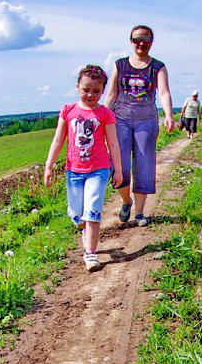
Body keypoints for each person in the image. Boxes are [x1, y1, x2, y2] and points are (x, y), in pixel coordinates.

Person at [43, 65, 123, 272]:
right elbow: (58, 140)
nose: (90, 95)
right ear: (78, 87)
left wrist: (119, 169)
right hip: (74, 172)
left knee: (93, 211)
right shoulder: (68, 111)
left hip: (99, 170)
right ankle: (83, 228)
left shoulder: (105, 114)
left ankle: (90, 254)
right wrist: (49, 166)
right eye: (86, 89)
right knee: (76, 214)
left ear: (103, 91)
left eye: (96, 91)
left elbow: (113, 144)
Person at [105, 24, 175, 227]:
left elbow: (163, 93)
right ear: (131, 42)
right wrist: (100, 117)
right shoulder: (120, 65)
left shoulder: (158, 67)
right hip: (121, 120)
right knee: (121, 166)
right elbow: (111, 95)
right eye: (137, 40)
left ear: (152, 41)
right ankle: (126, 201)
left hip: (147, 121)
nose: (141, 43)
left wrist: (169, 115)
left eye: (146, 39)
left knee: (144, 166)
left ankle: (140, 213)